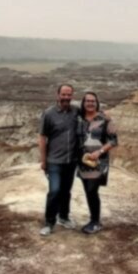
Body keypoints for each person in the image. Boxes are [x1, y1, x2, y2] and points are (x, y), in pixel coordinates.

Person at [38, 83, 79, 235]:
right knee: (55, 190)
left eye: (69, 95)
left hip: (71, 161)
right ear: (58, 95)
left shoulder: (76, 111)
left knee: (66, 191)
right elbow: (42, 138)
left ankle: (64, 216)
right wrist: (43, 161)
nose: (66, 97)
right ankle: (49, 222)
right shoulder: (48, 114)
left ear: (72, 96)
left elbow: (92, 114)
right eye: (64, 94)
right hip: (54, 161)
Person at [76, 91, 118, 234]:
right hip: (83, 162)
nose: (90, 103)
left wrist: (99, 151)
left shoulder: (105, 119)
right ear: (83, 103)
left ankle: (96, 222)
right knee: (88, 192)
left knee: (92, 190)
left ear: (97, 103)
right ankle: (93, 219)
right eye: (87, 101)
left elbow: (113, 140)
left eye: (93, 101)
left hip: (99, 162)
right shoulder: (79, 118)